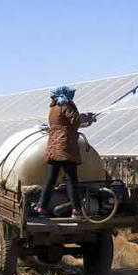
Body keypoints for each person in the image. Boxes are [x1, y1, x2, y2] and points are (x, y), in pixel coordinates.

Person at [35, 86, 95, 218]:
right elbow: (76, 120)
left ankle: (41, 208)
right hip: (66, 147)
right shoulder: (65, 105)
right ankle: (76, 210)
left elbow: (66, 123)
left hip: (53, 148)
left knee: (50, 180)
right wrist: (87, 117)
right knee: (71, 180)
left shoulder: (53, 108)